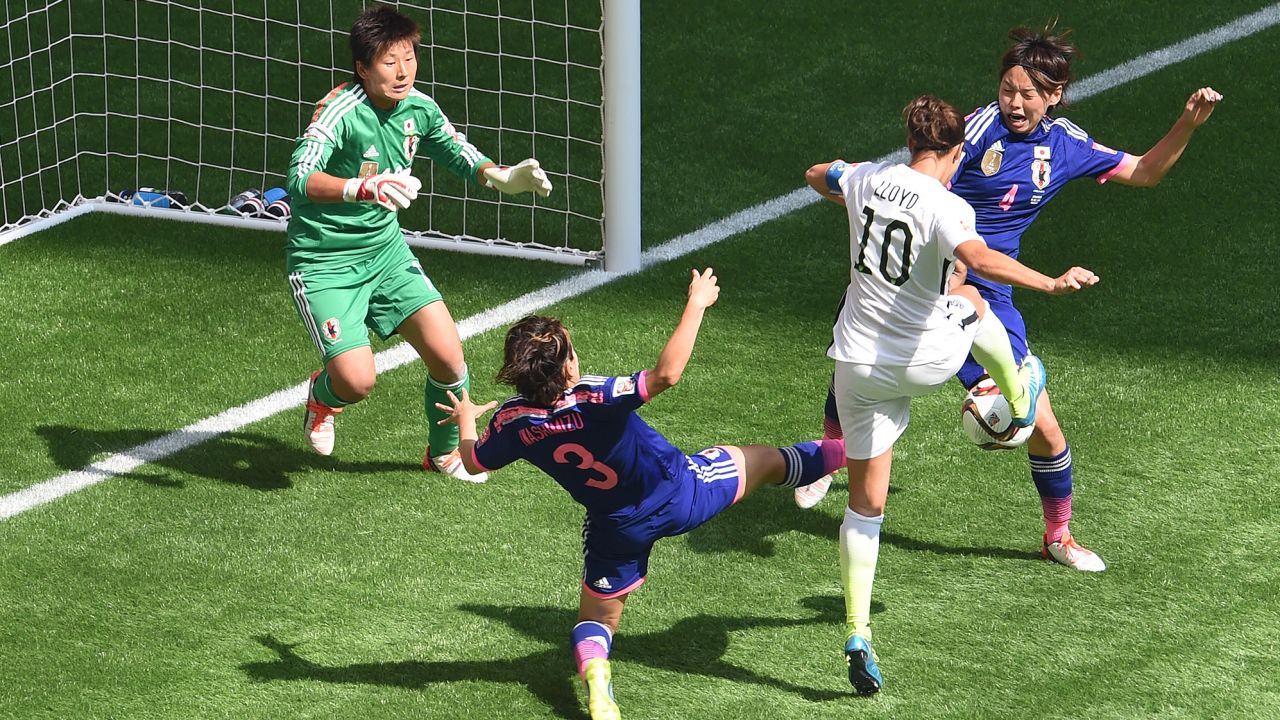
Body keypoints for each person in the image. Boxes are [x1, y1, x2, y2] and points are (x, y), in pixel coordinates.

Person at [798, 24, 1221, 573]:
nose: (1014, 104)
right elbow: (912, 194)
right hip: (930, 276)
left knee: (1040, 426)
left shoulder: (1065, 144)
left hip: (990, 290)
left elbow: (1144, 172)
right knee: (861, 361)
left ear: (1054, 95)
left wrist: (1187, 123)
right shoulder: (972, 132)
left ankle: (1057, 534)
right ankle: (828, 460)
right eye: (1007, 90)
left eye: (1027, 94)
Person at [435, 269, 847, 720]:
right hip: (681, 492)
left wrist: (467, 419)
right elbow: (666, 375)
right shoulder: (594, 396)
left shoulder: (513, 422)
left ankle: (596, 679)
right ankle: (854, 450)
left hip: (616, 527)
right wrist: (696, 304)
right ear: (568, 365)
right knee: (767, 461)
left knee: (597, 621)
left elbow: (473, 463)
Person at [805, 94, 1099, 694]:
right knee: (969, 300)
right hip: (921, 360)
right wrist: (1046, 281)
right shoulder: (948, 206)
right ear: (958, 149)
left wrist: (840, 185)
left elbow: (819, 173)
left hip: (854, 366)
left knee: (866, 507)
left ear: (910, 143)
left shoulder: (868, 177)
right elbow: (979, 259)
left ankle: (858, 631)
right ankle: (1019, 396)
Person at [285, 5, 552, 482]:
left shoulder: (419, 109)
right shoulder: (341, 109)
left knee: (449, 357)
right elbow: (300, 175)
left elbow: (456, 149)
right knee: (357, 380)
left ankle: (444, 454)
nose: (403, 71)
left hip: (385, 254)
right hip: (325, 261)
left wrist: (504, 177)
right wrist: (361, 188)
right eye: (389, 61)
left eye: (409, 57)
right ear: (363, 68)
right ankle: (323, 398)